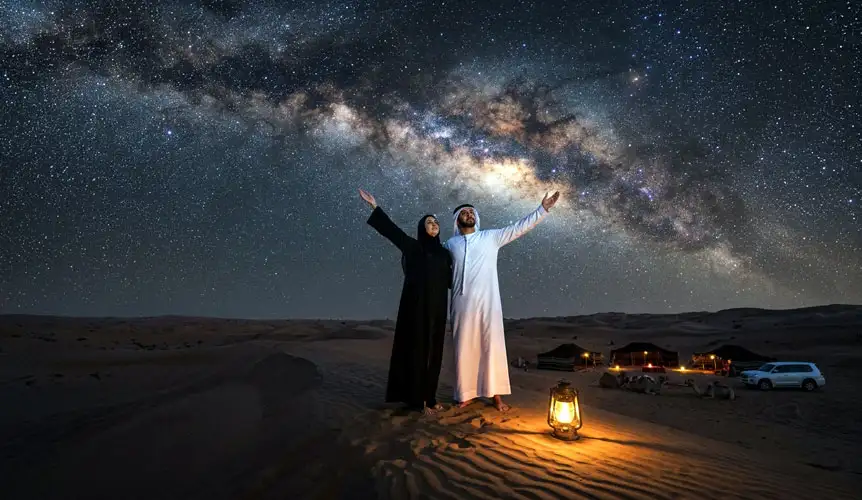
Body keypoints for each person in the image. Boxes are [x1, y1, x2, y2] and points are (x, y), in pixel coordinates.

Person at [445, 192, 560, 412]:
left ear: (476, 218)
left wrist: (542, 209)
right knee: (464, 348)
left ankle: (496, 396)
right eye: (464, 212)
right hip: (461, 303)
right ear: (457, 220)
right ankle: (465, 394)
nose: (468, 214)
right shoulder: (450, 244)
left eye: (471, 212)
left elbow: (519, 227)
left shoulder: (491, 237)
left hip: (489, 302)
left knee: (492, 346)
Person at [359, 188, 452, 415]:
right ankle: (416, 400)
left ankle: (430, 397)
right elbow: (392, 232)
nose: (433, 224)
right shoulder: (413, 246)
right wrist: (374, 206)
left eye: (436, 222)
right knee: (417, 352)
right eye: (429, 222)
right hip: (417, 308)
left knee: (435, 353)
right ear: (422, 228)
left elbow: (452, 280)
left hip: (438, 309)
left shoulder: (445, 253)